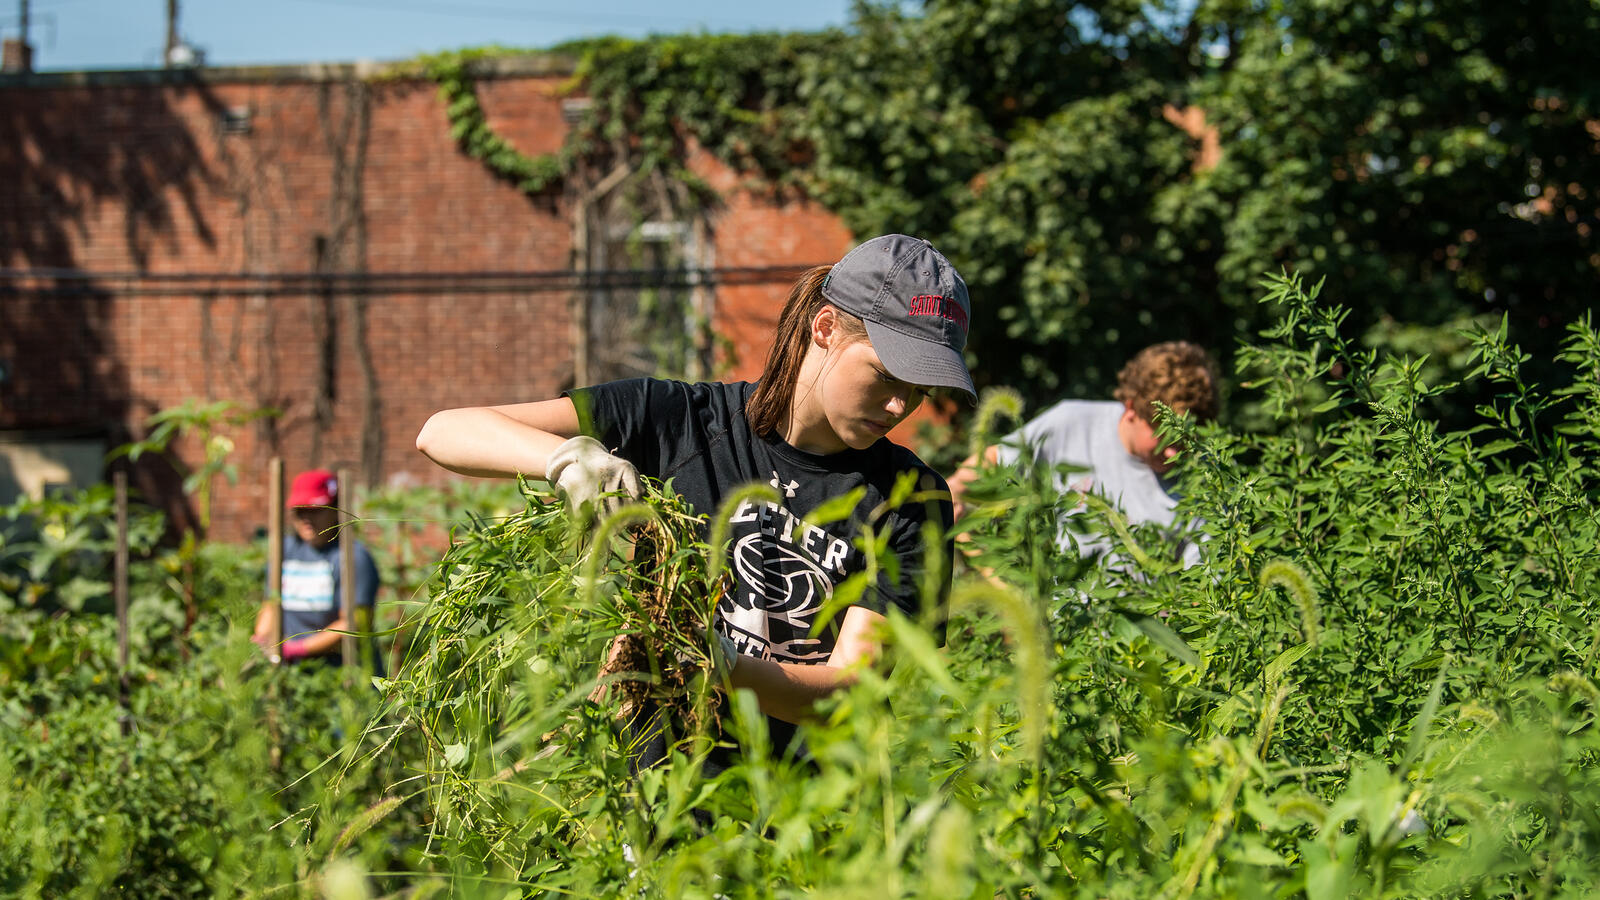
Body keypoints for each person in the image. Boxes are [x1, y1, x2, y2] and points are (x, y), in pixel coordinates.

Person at [415, 233, 973, 767]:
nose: (901, 407)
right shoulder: (679, 422)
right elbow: (444, 431)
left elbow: (852, 691)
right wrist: (565, 459)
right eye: (886, 375)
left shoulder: (910, 499)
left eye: (921, 391)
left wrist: (714, 663)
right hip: (659, 803)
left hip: (810, 827)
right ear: (825, 327)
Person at [949, 340, 1219, 567]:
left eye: (1185, 440)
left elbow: (1202, 590)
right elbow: (995, 460)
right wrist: (951, 493)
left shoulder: (1205, 478)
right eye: (1163, 437)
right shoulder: (1072, 423)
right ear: (1131, 408)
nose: (1174, 452)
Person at [252, 468, 382, 671]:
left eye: (315, 510)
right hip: (291, 673)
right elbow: (271, 604)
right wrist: (262, 639)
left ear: (335, 509)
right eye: (300, 510)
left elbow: (356, 622)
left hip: (338, 673)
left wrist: (300, 649)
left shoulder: (352, 557)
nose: (306, 518)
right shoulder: (284, 551)